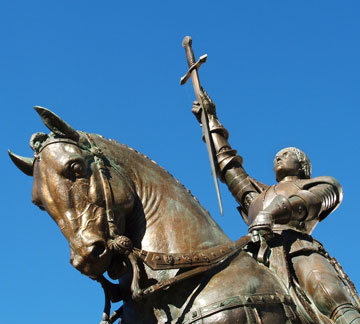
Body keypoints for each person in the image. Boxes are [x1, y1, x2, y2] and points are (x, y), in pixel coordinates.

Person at [192, 91, 360, 324]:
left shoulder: (324, 184)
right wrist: (209, 120)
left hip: (298, 250)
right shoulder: (258, 195)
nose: (278, 158)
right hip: (255, 255)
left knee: (329, 297)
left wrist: (270, 213)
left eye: (286, 154)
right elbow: (227, 164)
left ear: (302, 164)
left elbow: (307, 203)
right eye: (276, 157)